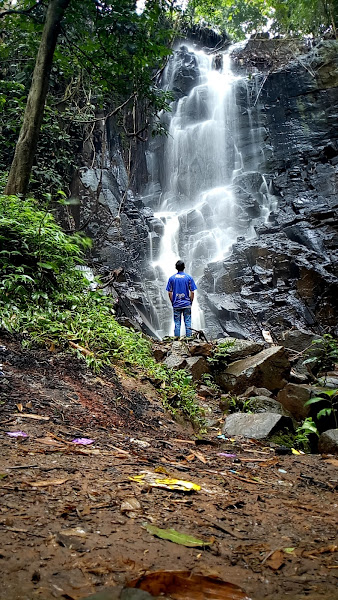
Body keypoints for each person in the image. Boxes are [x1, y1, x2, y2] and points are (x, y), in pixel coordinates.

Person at [166, 260, 197, 338]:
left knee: (177, 323)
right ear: (184, 267)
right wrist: (191, 302)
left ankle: (176, 340)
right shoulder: (189, 278)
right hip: (187, 304)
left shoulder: (171, 278)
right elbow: (192, 292)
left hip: (176, 304)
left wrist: (172, 302)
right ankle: (189, 339)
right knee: (188, 322)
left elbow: (169, 292)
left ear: (176, 268)